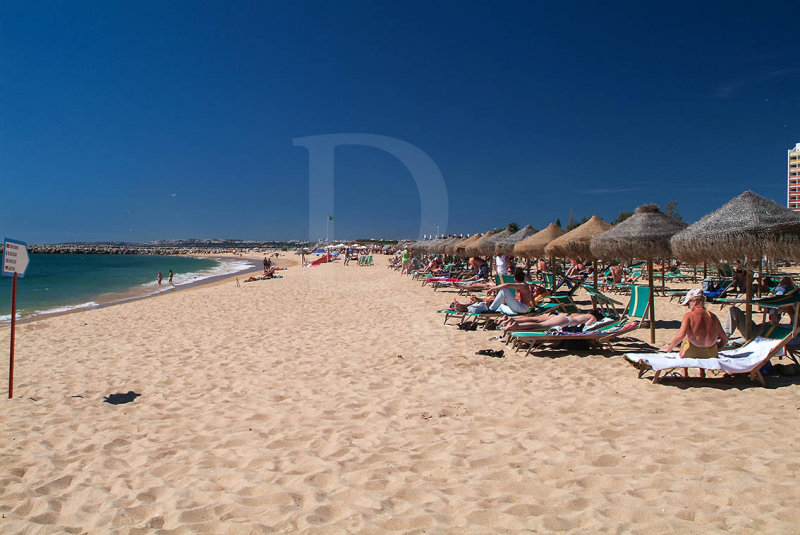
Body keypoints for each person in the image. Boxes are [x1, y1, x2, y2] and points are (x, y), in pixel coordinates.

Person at [661, 288, 728, 378]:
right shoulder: (713, 316)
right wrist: (717, 348)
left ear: (695, 301)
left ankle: (685, 373)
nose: (688, 306)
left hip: (692, 352)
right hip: (710, 353)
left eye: (689, 303)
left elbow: (680, 335)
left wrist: (669, 348)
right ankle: (702, 373)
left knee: (686, 339)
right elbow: (724, 338)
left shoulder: (689, 316)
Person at [451, 268, 533, 315]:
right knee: (494, 305)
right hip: (518, 309)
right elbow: (530, 296)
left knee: (504, 291)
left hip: (521, 308)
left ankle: (490, 310)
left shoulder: (522, 285)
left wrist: (493, 289)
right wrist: (534, 305)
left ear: (515, 278)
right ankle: (467, 308)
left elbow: (506, 285)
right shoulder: (524, 286)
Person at [500, 309, 606, 334]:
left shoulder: (585, 314)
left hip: (564, 317)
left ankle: (516, 323)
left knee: (538, 323)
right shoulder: (593, 317)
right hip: (567, 321)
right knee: (540, 325)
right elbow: (586, 326)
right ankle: (516, 326)